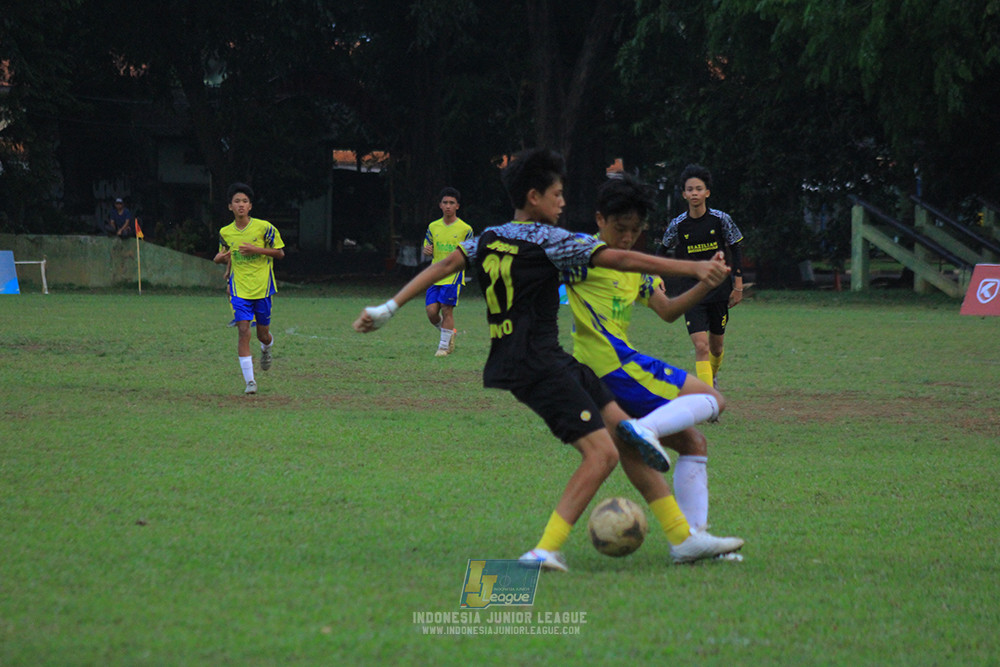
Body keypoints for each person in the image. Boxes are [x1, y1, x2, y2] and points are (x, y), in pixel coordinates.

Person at [354, 148, 743, 571]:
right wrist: (695, 268)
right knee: (603, 455)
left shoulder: (487, 236)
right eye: (557, 195)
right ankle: (545, 549)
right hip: (535, 361)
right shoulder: (551, 240)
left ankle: (683, 536)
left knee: (626, 439)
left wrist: (388, 308)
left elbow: (446, 263)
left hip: (548, 359)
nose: (563, 203)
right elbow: (621, 258)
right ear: (535, 196)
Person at [563, 174, 737, 547]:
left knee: (693, 444)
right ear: (599, 221)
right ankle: (646, 430)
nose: (627, 237)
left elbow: (668, 311)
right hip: (609, 365)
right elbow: (603, 260)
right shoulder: (580, 252)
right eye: (620, 228)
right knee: (713, 399)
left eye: (635, 230)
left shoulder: (638, 270)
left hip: (609, 370)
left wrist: (706, 284)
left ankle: (692, 540)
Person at [661, 164, 745, 388]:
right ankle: (708, 398)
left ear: (707, 192)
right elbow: (661, 250)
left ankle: (713, 377)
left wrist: (738, 284)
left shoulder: (720, 219)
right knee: (701, 346)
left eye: (699, 189)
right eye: (690, 189)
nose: (694, 193)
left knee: (716, 347)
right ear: (684, 194)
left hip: (718, 290)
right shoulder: (678, 224)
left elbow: (736, 247)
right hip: (691, 292)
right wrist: (657, 277)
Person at [213, 183, 285, 395]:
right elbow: (226, 254)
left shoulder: (264, 228)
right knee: (243, 330)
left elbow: (280, 253)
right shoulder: (225, 232)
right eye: (237, 202)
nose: (241, 205)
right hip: (239, 289)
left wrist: (256, 249)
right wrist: (220, 261)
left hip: (262, 288)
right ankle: (250, 382)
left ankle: (267, 346)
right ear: (230, 207)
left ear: (250, 206)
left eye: (245, 201)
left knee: (262, 334)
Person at [422, 187, 473, 356]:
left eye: (452, 203)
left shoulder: (465, 229)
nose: (448, 206)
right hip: (435, 274)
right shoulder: (433, 226)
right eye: (445, 203)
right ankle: (449, 333)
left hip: (453, 275)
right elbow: (426, 245)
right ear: (440, 205)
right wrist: (426, 250)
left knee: (446, 309)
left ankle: (443, 347)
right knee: (431, 312)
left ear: (458, 206)